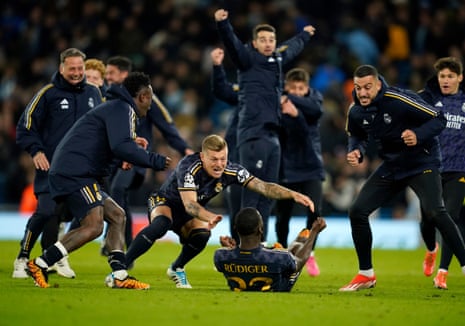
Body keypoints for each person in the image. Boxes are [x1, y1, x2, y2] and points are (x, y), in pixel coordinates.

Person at [26, 72, 171, 289]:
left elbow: (111, 144)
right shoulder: (123, 109)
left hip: (77, 170)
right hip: (76, 172)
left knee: (117, 215)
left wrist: (129, 147)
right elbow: (120, 146)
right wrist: (155, 160)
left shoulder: (117, 108)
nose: (150, 106)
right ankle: (40, 263)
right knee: (93, 226)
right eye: (150, 99)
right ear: (142, 96)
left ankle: (120, 275)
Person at [124, 134, 315, 289]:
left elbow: (263, 187)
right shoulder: (188, 167)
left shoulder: (231, 171)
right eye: (214, 159)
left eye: (223, 158)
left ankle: (176, 268)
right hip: (165, 202)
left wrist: (292, 194)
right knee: (161, 224)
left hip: (190, 213)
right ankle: (121, 269)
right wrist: (209, 216)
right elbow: (190, 205)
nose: (219, 164)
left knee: (203, 234)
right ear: (202, 156)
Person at [340, 64, 465, 291]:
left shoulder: (399, 99)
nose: (363, 93)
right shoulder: (356, 110)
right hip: (393, 165)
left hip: (422, 162)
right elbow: (356, 134)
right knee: (357, 210)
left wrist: (417, 135)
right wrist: (356, 149)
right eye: (359, 88)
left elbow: (439, 118)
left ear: (378, 84)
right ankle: (366, 274)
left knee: (436, 212)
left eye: (368, 87)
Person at [214, 9, 316, 240]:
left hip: (272, 136)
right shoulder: (247, 59)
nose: (268, 43)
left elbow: (291, 49)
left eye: (271, 39)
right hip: (253, 135)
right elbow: (232, 44)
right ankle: (245, 246)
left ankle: (260, 245)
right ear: (254, 43)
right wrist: (223, 24)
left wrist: (305, 35)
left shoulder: (276, 60)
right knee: (251, 193)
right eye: (263, 40)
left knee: (268, 195)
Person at [13, 48, 103, 279]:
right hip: (51, 167)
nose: (76, 73)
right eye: (71, 68)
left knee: (77, 217)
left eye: (80, 68)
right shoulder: (48, 94)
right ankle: (22, 257)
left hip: (83, 170)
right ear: (61, 68)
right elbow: (25, 127)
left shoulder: (94, 93)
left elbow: (104, 128)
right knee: (45, 212)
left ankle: (55, 257)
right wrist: (36, 151)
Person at [102, 55, 193, 254]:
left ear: (124, 74)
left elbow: (166, 125)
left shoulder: (145, 96)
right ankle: (112, 237)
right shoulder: (106, 97)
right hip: (112, 158)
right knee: (109, 193)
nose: (106, 77)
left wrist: (184, 148)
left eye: (111, 73)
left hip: (137, 157)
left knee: (118, 189)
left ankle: (122, 245)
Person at [418, 56, 465, 289]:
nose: (445, 80)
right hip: (431, 168)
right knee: (427, 219)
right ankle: (430, 249)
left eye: (450, 76)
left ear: (460, 78)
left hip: (459, 169)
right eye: (442, 76)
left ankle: (443, 272)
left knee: (451, 217)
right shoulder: (429, 99)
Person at [275, 67, 325, 277]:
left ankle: (309, 253)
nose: (296, 91)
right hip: (286, 166)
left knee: (315, 213)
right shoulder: (279, 106)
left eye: (300, 88)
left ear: (307, 88)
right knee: (283, 214)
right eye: (292, 88)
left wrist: (293, 110)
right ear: (286, 86)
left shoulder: (314, 102)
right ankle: (282, 252)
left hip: (311, 165)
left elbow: (309, 123)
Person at [214, 207, 326, 292]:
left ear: (236, 229)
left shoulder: (220, 255)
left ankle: (298, 241)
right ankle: (300, 240)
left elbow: (241, 259)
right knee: (297, 247)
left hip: (242, 283)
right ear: (261, 229)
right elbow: (300, 261)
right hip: (278, 286)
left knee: (288, 250)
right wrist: (314, 233)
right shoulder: (278, 257)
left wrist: (231, 249)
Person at [210, 47, 241, 243]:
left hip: (262, 152)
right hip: (237, 155)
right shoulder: (244, 91)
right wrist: (217, 66)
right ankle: (238, 246)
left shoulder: (273, 91)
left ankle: (257, 245)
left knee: (257, 203)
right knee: (235, 202)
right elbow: (221, 90)